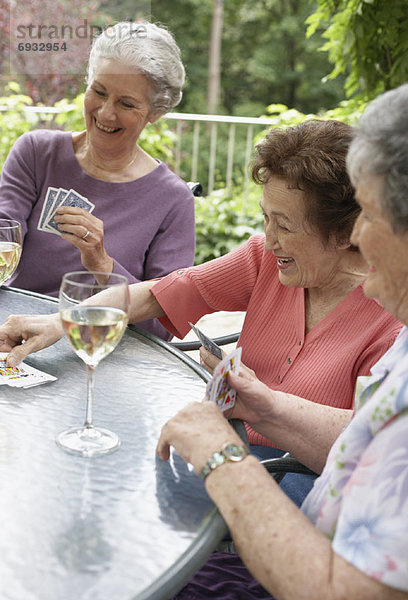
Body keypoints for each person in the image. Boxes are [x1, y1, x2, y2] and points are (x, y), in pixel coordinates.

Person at [0, 118, 402, 507]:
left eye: (285, 225)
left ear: (343, 232)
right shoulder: (264, 259)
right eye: (266, 217)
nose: (271, 238)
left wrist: (262, 404)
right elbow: (158, 294)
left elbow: (370, 448)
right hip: (222, 454)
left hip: (301, 490)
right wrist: (62, 322)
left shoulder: (393, 313)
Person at [153, 83, 408, 599]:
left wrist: (223, 458)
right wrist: (266, 408)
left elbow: (349, 591)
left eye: (370, 216)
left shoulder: (390, 324)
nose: (358, 235)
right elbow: (366, 432)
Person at [0, 21, 195, 340]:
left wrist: (102, 264)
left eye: (126, 103)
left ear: (155, 111)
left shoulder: (173, 200)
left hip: (102, 352)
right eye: (99, 92)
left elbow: (164, 327)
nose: (105, 113)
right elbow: (3, 237)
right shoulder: (36, 153)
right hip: (15, 331)